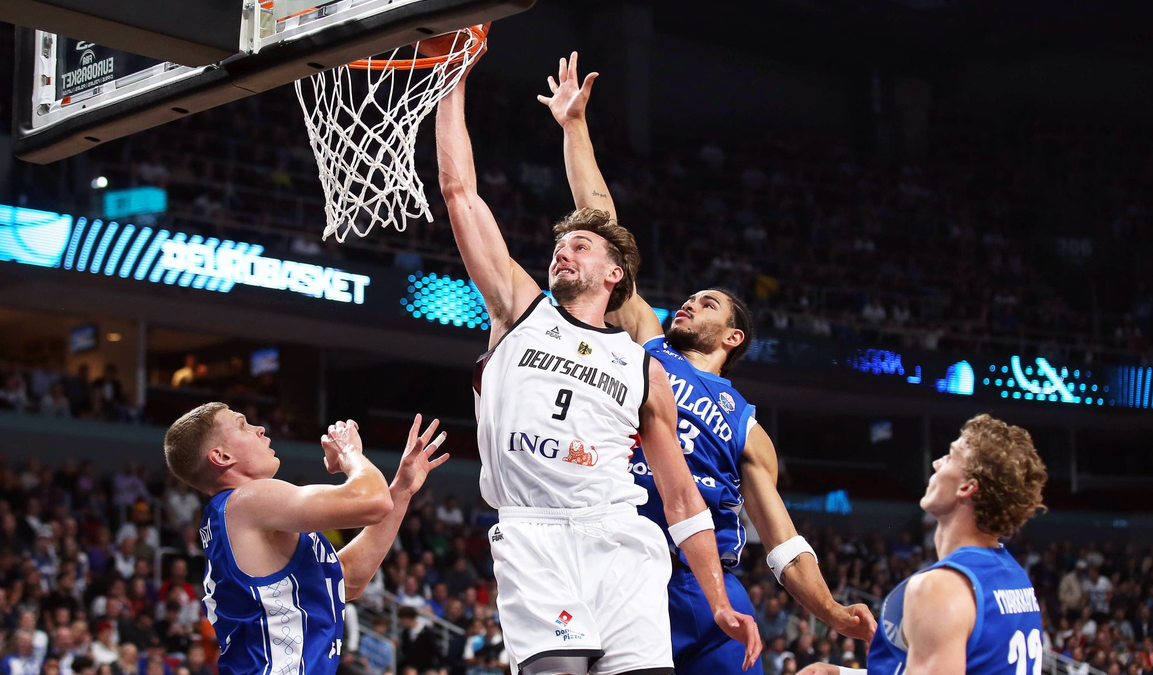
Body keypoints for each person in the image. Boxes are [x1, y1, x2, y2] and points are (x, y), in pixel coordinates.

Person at [540, 51, 876, 675]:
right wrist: (575, 127)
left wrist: (830, 611)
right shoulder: (648, 343)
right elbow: (605, 228)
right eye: (691, 297)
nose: (690, 302)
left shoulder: (748, 426)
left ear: (733, 336)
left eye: (709, 302)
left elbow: (782, 539)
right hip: (624, 561)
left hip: (706, 583)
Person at [435, 45, 761, 675]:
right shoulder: (518, 310)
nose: (563, 252)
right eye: (560, 246)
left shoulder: (643, 362)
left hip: (622, 540)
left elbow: (681, 498)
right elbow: (460, 192)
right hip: (534, 532)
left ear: (614, 276)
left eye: (579, 246)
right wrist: (451, 80)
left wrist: (718, 600)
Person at [163, 403, 447, 675]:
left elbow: (348, 579)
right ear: (222, 457)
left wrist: (401, 491)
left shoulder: (235, 516)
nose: (259, 428)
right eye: (242, 426)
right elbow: (373, 500)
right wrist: (348, 451)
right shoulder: (247, 500)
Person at [797, 414, 1048, 675]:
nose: (937, 463)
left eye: (950, 457)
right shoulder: (1015, 576)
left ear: (966, 487)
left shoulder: (940, 588)